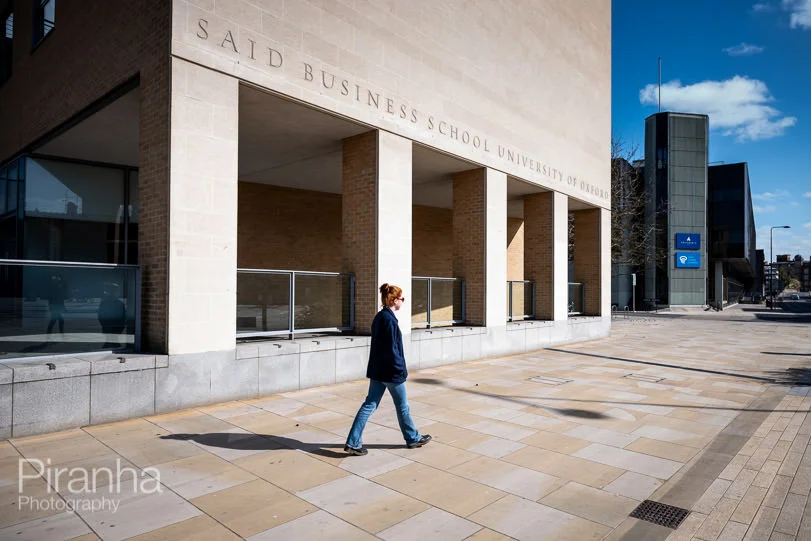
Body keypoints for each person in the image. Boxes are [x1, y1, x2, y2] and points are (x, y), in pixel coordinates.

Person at [344, 283, 431, 456]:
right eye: (402, 298)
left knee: (369, 405)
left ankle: (353, 442)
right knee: (402, 406)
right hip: (391, 372)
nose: (403, 302)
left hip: (378, 371)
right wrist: (401, 370)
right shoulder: (389, 320)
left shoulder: (380, 317)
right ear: (394, 299)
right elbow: (392, 350)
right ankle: (413, 439)